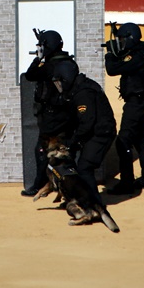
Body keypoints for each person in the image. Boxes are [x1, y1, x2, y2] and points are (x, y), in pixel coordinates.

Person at [50, 59, 117, 208]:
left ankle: (95, 205)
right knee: (73, 162)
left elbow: (87, 122)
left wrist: (73, 142)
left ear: (66, 78)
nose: (59, 86)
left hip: (101, 133)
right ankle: (78, 198)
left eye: (60, 81)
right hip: (94, 131)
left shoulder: (84, 93)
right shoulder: (78, 87)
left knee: (85, 167)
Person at [20, 30, 78, 197]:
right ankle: (69, 185)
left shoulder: (48, 66)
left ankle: (39, 185)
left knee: (42, 150)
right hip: (69, 115)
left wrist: (38, 57)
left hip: (52, 117)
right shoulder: (70, 63)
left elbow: (30, 75)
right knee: (66, 151)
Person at [104, 22, 144, 194]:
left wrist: (110, 54)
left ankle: (127, 182)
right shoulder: (143, 52)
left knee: (123, 141)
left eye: (122, 40)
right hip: (140, 101)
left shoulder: (137, 56)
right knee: (140, 139)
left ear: (131, 38)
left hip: (136, 103)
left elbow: (112, 69)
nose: (120, 43)